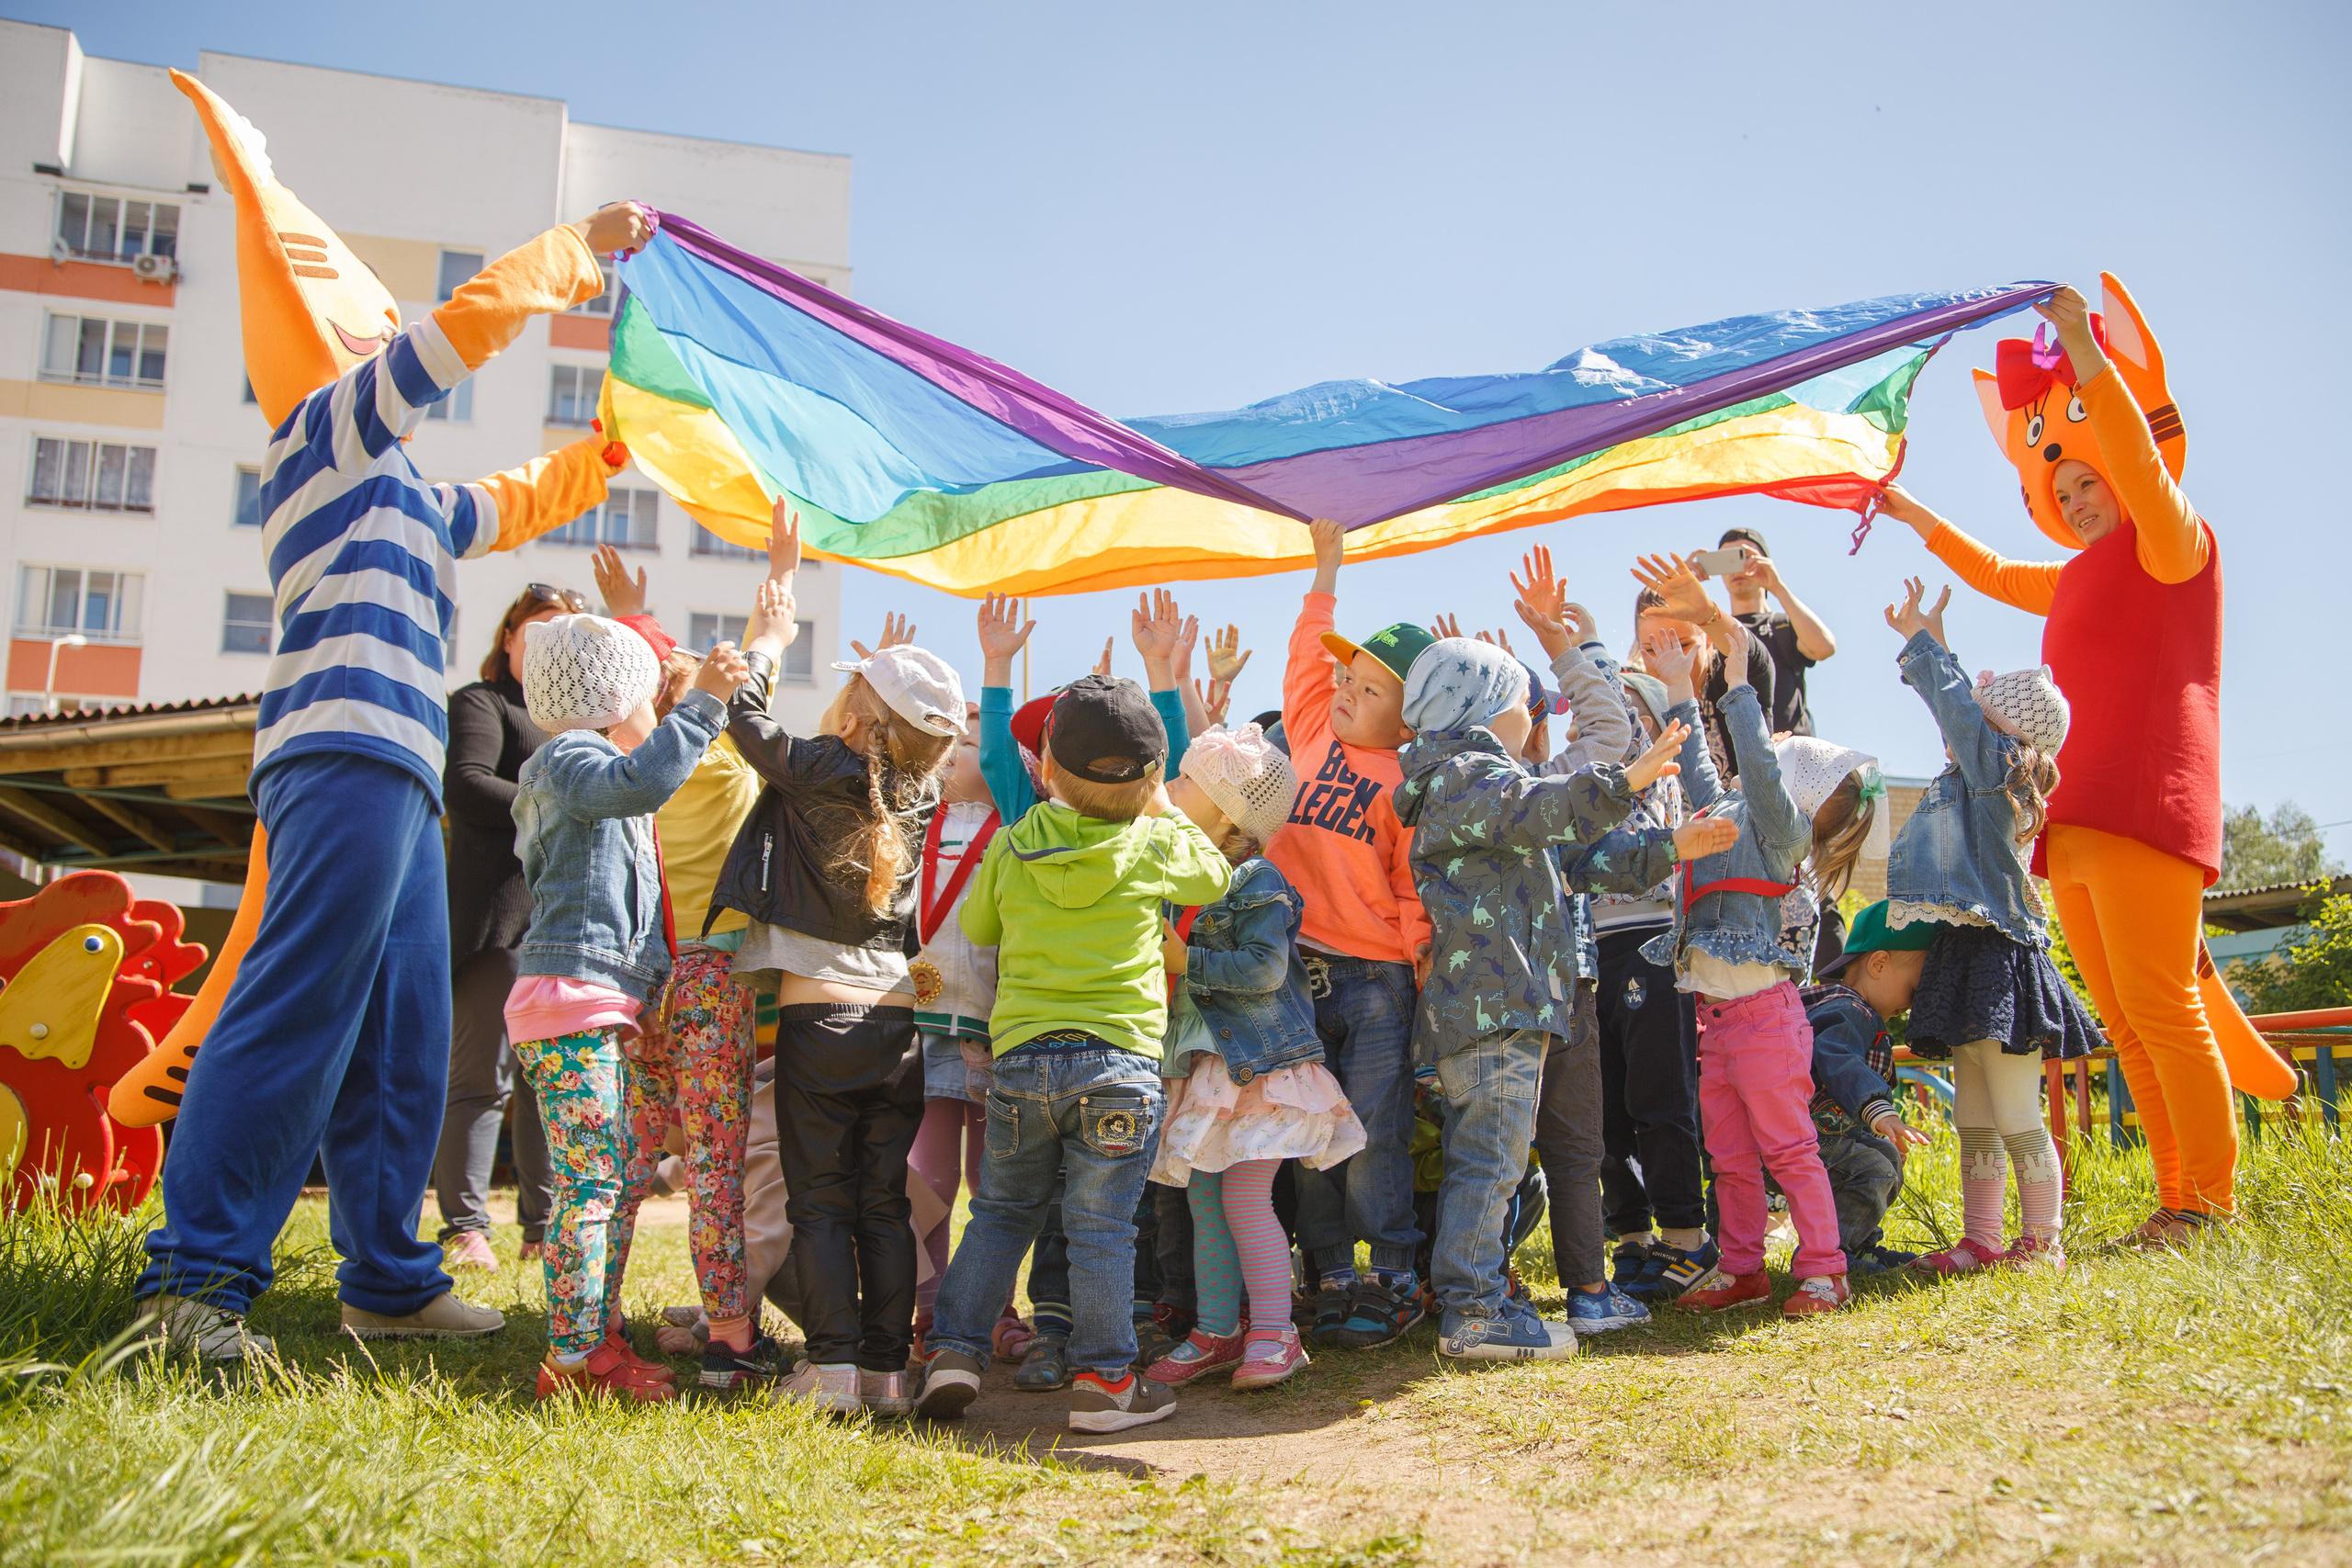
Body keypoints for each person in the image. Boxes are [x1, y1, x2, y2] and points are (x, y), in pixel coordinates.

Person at [133, 68, 653, 1363]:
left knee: (403, 1035)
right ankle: (193, 1281)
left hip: (402, 778)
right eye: (367, 331)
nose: (382, 346)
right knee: (300, 1003)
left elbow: (514, 504)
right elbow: (459, 333)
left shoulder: (408, 494)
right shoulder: (326, 431)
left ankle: (387, 1275)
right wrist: (575, 253)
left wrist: (608, 449)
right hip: (341, 752)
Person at [1875, 276, 2288, 1246]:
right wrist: (1910, 513)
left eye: (2087, 482)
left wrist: (2090, 360)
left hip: (2148, 805)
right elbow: (1992, 571)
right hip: (2075, 821)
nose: (2075, 499)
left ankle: (2209, 1202)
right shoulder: (2074, 577)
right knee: (2127, 1021)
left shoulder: (2174, 545)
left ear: (2118, 471)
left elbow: (2141, 463)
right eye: (2060, 493)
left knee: (2163, 1006)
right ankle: (2175, 1199)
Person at [1391, 635, 1731, 1359]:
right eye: (1523, 699)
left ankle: (1478, 1300)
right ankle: (1473, 1309)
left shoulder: (1499, 793)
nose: (1532, 712)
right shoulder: (1466, 778)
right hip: (1492, 1005)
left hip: (1511, 1003)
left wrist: (1672, 846)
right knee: (1490, 1159)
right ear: (1482, 707)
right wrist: (1624, 779)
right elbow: (1546, 808)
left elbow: (1579, 860)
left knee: (1498, 1157)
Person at [916, 674, 1232, 1433]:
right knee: (1102, 1229)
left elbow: (981, 929)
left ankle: (953, 1351)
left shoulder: (1015, 840)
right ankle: (1105, 1382)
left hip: (1023, 1061)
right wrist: (1163, 807)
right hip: (1119, 1066)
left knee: (999, 1213)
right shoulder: (1154, 839)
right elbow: (1215, 877)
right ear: (1153, 775)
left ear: (1048, 768)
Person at [715, 554, 965, 1416]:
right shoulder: (920, 793)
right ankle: (887, 1375)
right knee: (882, 1204)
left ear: (856, 714)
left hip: (818, 1023)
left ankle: (831, 1372)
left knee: (820, 1203)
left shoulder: (822, 763)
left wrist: (769, 639)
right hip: (896, 1026)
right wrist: (879, 691)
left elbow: (743, 718)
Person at [505, 613, 745, 1401]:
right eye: (653, 698)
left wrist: (641, 998)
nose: (660, 715)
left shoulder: (592, 779)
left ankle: (594, 1341)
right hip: (567, 1000)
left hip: (592, 999)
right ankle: (573, 1361)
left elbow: (634, 909)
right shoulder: (572, 760)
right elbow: (644, 778)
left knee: (600, 1178)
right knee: (589, 1186)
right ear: (614, 700)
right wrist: (704, 704)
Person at [1632, 597, 1882, 1318]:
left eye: (1772, 761)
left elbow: (1755, 766)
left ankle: (1826, 1269)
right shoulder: (1727, 814)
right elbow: (1700, 771)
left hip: (1767, 1022)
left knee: (1790, 1150)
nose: (1757, 759)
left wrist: (1738, 675)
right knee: (1732, 1158)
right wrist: (1678, 682)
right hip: (1718, 1024)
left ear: (1787, 787)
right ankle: (1743, 1269)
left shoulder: (1780, 832)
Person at [594, 538, 778, 1391]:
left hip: (642, 981)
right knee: (713, 1166)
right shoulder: (730, 759)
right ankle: (731, 1338)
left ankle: (595, 1321)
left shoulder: (639, 761)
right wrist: (775, 595)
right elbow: (757, 667)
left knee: (627, 1162)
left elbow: (647, 684)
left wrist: (630, 613)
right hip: (711, 982)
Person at [1879, 581, 2102, 1275]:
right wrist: (1939, 641)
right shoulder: (1986, 767)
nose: (1965, 722)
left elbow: (1957, 711)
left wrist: (1923, 643)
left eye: (1982, 712)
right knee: (1974, 1117)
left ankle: (2043, 1240)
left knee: (2014, 1113)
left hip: (2000, 958)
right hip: (1966, 951)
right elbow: (1960, 718)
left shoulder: (1998, 772)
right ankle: (1981, 1239)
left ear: (2008, 732)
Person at [1146, 724, 1361, 1391]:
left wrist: (1186, 959)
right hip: (1208, 1070)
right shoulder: (1180, 874)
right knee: (1205, 1202)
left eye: (1187, 779)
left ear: (1223, 809)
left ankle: (1275, 1331)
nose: (1173, 786)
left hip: (1260, 1068)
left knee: (1243, 1196)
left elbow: (1265, 969)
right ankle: (1218, 1330)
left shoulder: (1255, 877)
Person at [1268, 517, 1434, 1352]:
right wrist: (1326, 570)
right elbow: (1307, 653)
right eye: (1349, 677)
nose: (1345, 692)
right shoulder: (1309, 728)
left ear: (1409, 723)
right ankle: (1330, 1271)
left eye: (1370, 690)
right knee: (1312, 1135)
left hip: (1375, 982)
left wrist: (1421, 978)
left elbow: (1411, 892)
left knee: (1372, 1132)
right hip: (1295, 974)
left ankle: (1392, 1272)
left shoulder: (1406, 782)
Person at [432, 582, 576, 1272]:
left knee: (545, 1085)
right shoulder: (483, 701)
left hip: (561, 926)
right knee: (480, 1079)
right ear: (510, 637)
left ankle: (541, 1229)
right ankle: (465, 1228)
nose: (550, 643)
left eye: (566, 632)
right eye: (539, 628)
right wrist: (559, 804)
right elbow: (464, 784)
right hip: (496, 921)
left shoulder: (583, 725)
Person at [907, 693, 1000, 1361]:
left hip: (1000, 1024)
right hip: (930, 1021)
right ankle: (928, 1309)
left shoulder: (1017, 824)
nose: (957, 750)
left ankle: (992, 1311)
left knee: (993, 1184)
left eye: (971, 741)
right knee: (929, 1180)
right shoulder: (917, 819)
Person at [1802, 902, 1939, 1273]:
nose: (1913, 1003)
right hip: (1800, 1138)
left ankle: (1858, 1242)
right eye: (1913, 989)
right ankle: (1832, 1252)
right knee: (1874, 1170)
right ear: (1878, 964)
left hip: (1823, 1132)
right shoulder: (1849, 1011)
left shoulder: (1851, 1008)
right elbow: (1838, 1060)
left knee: (1885, 1157)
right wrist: (1879, 1110)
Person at [1629, 571, 1776, 790]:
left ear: (1707, 639)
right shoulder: (1632, 695)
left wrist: (1707, 614)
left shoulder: (1731, 675)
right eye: (1652, 649)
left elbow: (1748, 652)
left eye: (1682, 645)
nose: (1668, 659)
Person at [1701, 525, 1838, 737]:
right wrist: (1686, 587)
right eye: (1728, 560)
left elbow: (1824, 648)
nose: (1737, 568)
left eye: (1746, 557)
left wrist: (1777, 586)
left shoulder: (1785, 623)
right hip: (1739, 752)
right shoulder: (1713, 631)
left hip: (1793, 750)